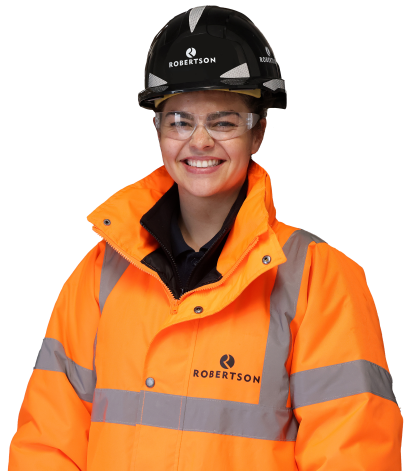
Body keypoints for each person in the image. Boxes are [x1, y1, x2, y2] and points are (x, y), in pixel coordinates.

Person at [8, 5, 403, 471]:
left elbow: (351, 455)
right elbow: (48, 445)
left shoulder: (319, 279)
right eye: (179, 120)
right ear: (157, 130)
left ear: (258, 133)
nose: (199, 142)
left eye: (223, 122)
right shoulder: (101, 272)